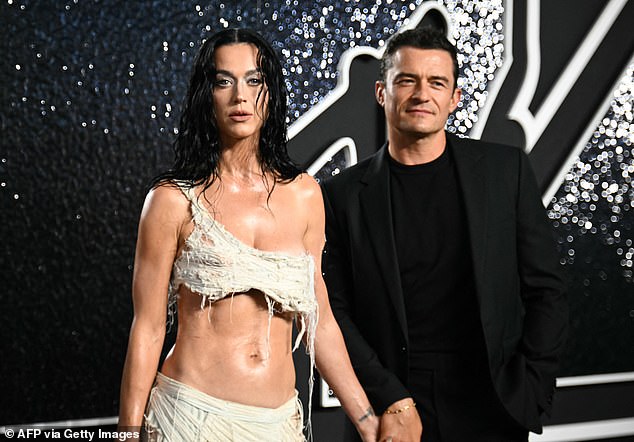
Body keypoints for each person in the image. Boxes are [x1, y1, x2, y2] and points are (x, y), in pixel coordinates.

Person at [118, 28, 378, 442]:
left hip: (279, 424)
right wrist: (127, 435)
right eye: (224, 81)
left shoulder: (304, 194)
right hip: (188, 417)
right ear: (207, 95)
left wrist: (367, 421)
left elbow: (321, 322)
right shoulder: (172, 200)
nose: (240, 96)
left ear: (270, 93)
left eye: (254, 80)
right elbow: (148, 328)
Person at [321, 27, 568, 442]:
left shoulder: (504, 171)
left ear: (454, 98)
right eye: (407, 80)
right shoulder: (340, 195)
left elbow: (547, 289)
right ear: (382, 92)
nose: (422, 94)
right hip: (395, 407)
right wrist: (388, 398)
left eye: (437, 82)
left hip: (492, 403)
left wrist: (531, 387)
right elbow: (334, 312)